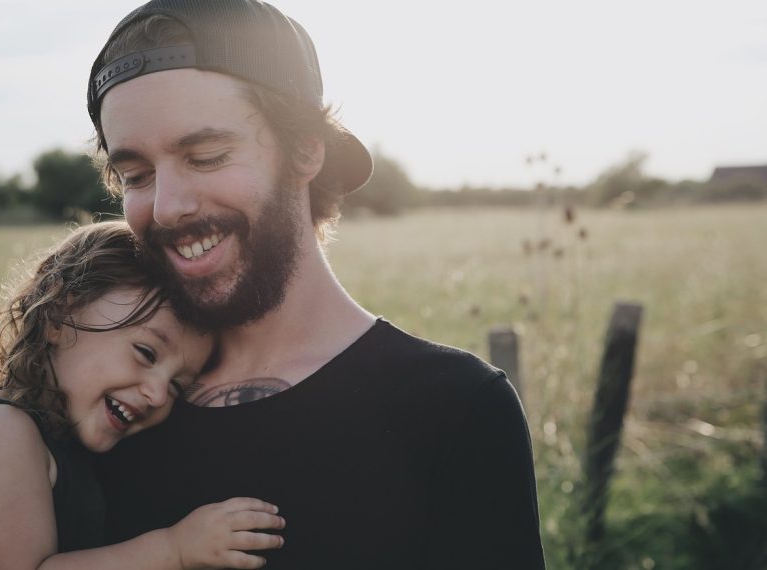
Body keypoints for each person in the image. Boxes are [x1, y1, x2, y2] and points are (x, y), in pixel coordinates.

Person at [89, 1, 546, 568]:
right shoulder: (109, 401)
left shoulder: (453, 409)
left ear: (306, 149)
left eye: (205, 157)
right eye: (136, 176)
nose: (167, 206)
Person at [0, 221, 285, 570]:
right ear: (58, 314)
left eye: (176, 387)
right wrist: (173, 550)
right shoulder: (1, 430)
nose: (155, 394)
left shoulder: (59, 443)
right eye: (146, 353)